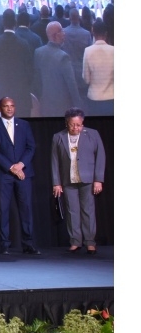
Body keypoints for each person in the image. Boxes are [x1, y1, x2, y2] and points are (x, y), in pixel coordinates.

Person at [0, 98, 38, 255]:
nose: (9, 109)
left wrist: (21, 165)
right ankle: (4, 244)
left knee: (26, 208)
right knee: (3, 209)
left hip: (24, 173)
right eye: (5, 106)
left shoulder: (24, 125)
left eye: (12, 106)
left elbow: (31, 147)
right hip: (4, 174)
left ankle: (28, 243)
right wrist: (11, 167)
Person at [51, 108, 105, 255]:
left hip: (87, 179)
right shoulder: (59, 137)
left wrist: (98, 180)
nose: (76, 128)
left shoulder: (92, 134)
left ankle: (90, 242)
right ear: (66, 123)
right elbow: (55, 161)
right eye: (72, 125)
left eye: (79, 125)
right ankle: (75, 241)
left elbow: (100, 157)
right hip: (68, 180)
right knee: (72, 211)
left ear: (82, 123)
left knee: (88, 211)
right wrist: (57, 183)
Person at [34, 22, 82, 117]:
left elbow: (37, 80)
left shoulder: (38, 52)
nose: (64, 33)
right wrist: (79, 106)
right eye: (61, 30)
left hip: (45, 104)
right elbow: (71, 85)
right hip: (62, 106)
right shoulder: (63, 57)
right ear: (55, 35)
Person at [0, 10, 34, 114]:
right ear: (15, 22)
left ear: (3, 22)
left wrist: (3, 80)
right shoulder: (23, 44)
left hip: (4, 91)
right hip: (22, 93)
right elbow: (30, 71)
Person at [82, 19, 113, 116]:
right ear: (106, 34)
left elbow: (86, 79)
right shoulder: (114, 50)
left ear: (93, 33)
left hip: (94, 98)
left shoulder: (88, 51)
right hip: (112, 97)